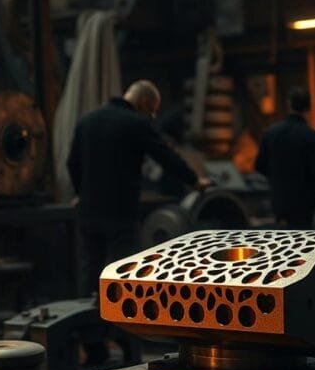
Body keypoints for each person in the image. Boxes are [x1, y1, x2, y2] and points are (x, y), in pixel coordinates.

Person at [68, 80, 212, 302]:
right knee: (124, 274)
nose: (152, 117)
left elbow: (72, 163)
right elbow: (165, 156)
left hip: (88, 211)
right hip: (120, 212)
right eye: (152, 111)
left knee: (90, 272)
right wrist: (194, 180)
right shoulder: (135, 123)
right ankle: (120, 322)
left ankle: (85, 321)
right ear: (144, 101)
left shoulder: (87, 120)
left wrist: (81, 193)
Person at [254, 86, 315, 228]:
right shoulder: (312, 137)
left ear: (289, 104)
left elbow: (259, 166)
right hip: (306, 205)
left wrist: (277, 178)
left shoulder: (271, 133)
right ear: (308, 107)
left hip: (279, 200)